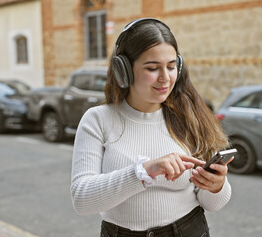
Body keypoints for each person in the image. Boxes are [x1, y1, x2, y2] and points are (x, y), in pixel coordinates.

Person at [71, 18, 232, 237]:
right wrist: (143, 172)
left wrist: (216, 186)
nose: (165, 78)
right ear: (124, 70)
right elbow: (82, 200)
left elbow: (213, 204)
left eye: (171, 67)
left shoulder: (190, 117)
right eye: (153, 68)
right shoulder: (97, 120)